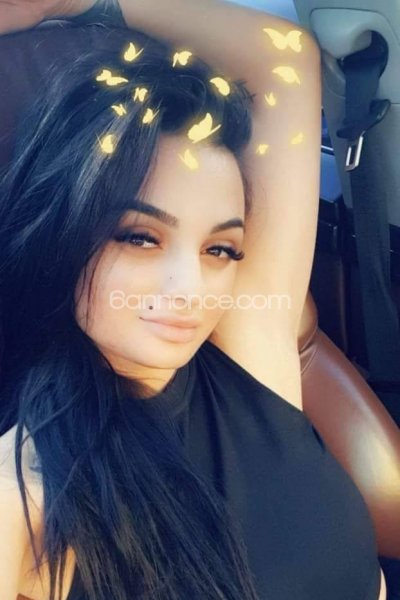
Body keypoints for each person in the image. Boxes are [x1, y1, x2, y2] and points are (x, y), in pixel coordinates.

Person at [0, 1, 386, 599]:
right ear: (64, 233)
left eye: (220, 249)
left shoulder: (246, 350)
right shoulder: (26, 489)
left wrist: (62, 3)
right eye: (139, 237)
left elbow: (282, 57)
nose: (191, 290)